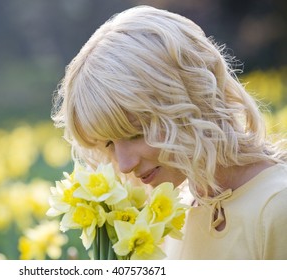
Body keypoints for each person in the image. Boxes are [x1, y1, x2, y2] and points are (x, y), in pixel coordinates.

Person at [51, 5, 287, 259]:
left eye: (135, 133)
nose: (125, 164)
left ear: (190, 99)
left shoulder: (276, 207)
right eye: (109, 143)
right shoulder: (175, 214)